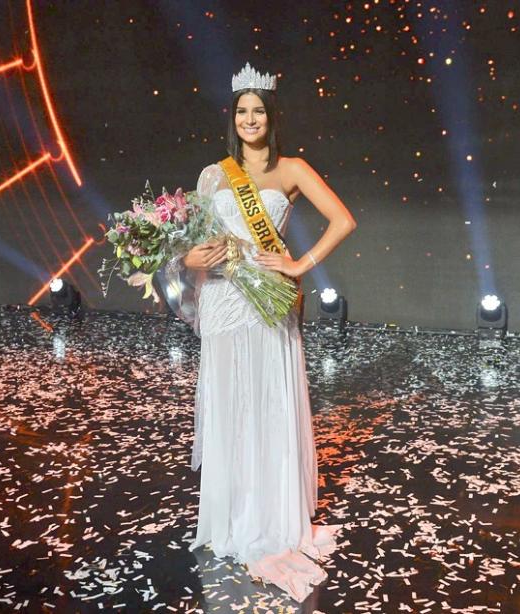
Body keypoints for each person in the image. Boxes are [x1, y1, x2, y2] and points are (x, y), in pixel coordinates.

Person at [181, 62, 357, 603]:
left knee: (268, 403)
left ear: (270, 117)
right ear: (231, 118)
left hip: (268, 300)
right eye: (241, 111)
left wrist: (299, 264)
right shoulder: (214, 175)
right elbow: (188, 249)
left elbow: (343, 220)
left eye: (258, 111)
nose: (249, 119)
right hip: (221, 300)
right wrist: (195, 257)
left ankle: (271, 515)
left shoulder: (292, 169)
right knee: (232, 402)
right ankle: (234, 514)